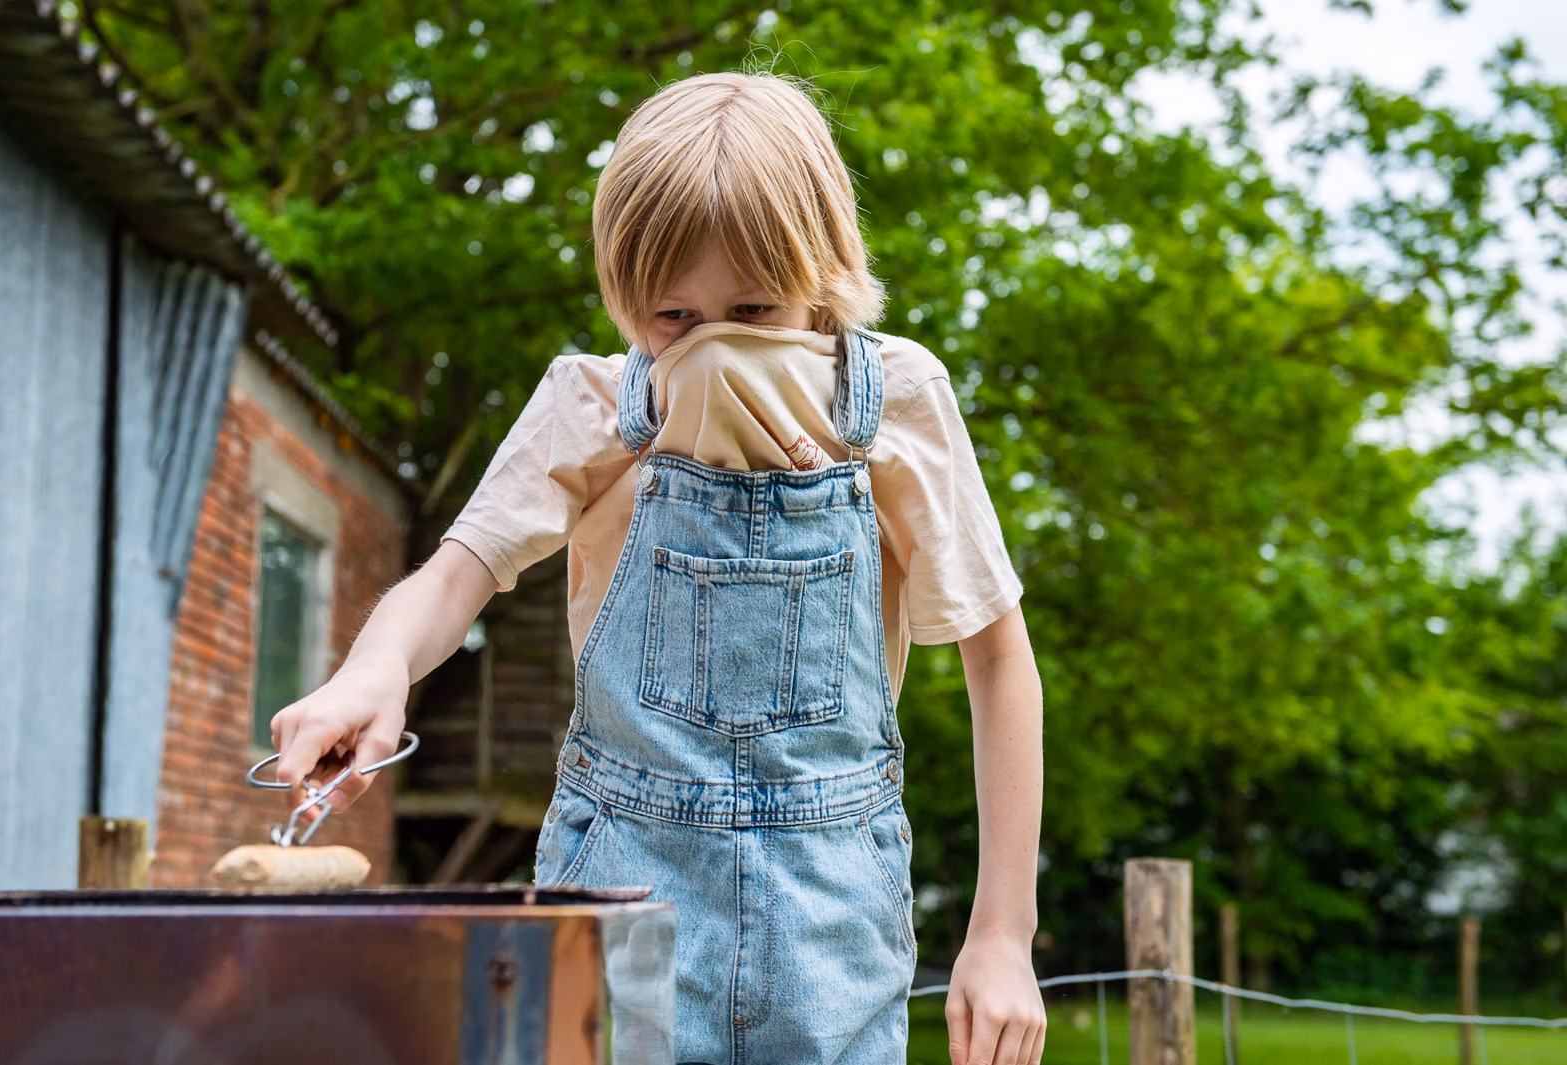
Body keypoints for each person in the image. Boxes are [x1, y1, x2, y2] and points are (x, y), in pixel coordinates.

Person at [270, 70, 1047, 1065]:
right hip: (621, 886)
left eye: (753, 307)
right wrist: (372, 672)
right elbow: (453, 575)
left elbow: (996, 658)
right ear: (623, 295)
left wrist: (1000, 936)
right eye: (672, 317)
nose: (711, 340)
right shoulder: (593, 408)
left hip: (834, 910)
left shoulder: (895, 402)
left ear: (825, 271)